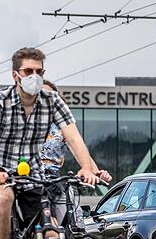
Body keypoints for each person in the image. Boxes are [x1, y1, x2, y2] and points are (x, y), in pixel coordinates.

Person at [0, 47, 100, 239]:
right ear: (16, 75)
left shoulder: (52, 101)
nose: (34, 76)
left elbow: (74, 138)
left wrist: (86, 167)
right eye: (28, 71)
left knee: (50, 233)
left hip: (32, 174)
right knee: (3, 198)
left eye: (39, 71)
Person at [38, 80, 112, 224]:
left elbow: (78, 148)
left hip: (53, 180)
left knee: (70, 224)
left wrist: (96, 172)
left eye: (51, 96)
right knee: (48, 223)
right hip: (32, 177)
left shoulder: (61, 126)